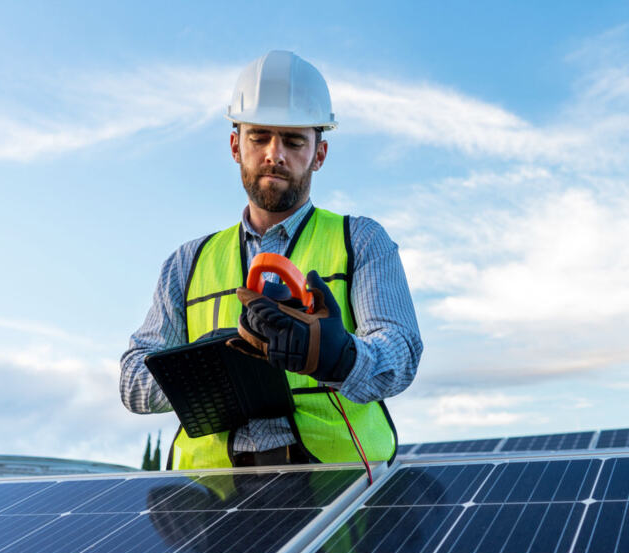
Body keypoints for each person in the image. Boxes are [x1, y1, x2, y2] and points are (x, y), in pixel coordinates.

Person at [120, 50, 422, 470]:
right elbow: (132, 381)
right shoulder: (185, 263)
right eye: (258, 137)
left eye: (294, 140)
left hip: (338, 493)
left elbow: (400, 356)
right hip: (210, 503)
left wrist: (336, 355)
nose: (274, 154)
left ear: (319, 154)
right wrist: (218, 363)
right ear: (234, 146)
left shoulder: (362, 241)